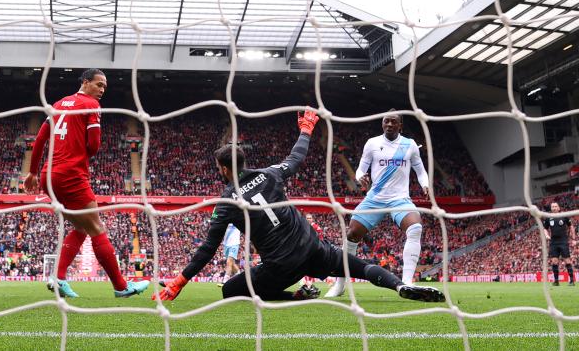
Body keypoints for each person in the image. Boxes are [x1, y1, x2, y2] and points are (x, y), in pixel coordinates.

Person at [154, 109, 444, 303]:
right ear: (243, 162)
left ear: (222, 168)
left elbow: (208, 247)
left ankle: (295, 296)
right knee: (360, 266)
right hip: (313, 249)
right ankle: (399, 285)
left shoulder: (226, 202)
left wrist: (180, 281)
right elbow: (296, 157)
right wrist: (306, 129)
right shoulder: (269, 173)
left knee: (231, 290)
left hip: (281, 266)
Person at [24, 68, 149, 298]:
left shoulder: (59, 104)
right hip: (71, 174)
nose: (102, 90)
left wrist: (32, 173)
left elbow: (41, 138)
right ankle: (121, 287)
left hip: (47, 175)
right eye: (99, 84)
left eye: (104, 87)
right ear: (85, 82)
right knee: (96, 228)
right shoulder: (91, 105)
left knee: (81, 227)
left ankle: (59, 278)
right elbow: (94, 146)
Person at [326, 110, 428, 298]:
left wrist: (425, 185)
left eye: (393, 122)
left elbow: (420, 170)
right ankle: (340, 284)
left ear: (400, 126)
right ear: (382, 124)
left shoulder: (410, 145)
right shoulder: (372, 143)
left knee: (415, 227)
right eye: (386, 121)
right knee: (351, 235)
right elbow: (360, 169)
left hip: (400, 198)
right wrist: (360, 177)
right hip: (375, 198)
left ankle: (407, 282)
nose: (389, 124)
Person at [543, 202, 576, 286]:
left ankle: (572, 280)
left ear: (558, 208)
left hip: (563, 241)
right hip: (553, 242)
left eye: (555, 206)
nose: (554, 208)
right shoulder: (548, 218)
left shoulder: (564, 216)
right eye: (552, 207)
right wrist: (546, 235)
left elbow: (571, 226)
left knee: (567, 260)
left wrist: (573, 238)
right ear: (551, 208)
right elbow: (545, 228)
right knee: (554, 261)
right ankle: (556, 281)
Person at [297, 213, 323, 297]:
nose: (308, 219)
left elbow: (320, 238)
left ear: (312, 219)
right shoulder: (302, 226)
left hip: (312, 250)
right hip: (304, 249)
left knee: (310, 266)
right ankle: (305, 283)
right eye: (307, 218)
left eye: (310, 218)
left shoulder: (316, 227)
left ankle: (308, 283)